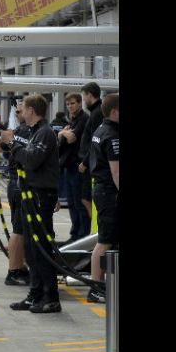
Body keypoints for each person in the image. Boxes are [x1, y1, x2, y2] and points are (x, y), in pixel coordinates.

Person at [4, 94, 61, 314]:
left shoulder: (45, 133)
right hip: (30, 194)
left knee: (41, 248)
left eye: (22, 109)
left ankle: (51, 298)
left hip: (41, 196)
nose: (20, 112)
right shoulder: (35, 132)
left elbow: (32, 160)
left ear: (31, 110)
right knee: (30, 247)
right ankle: (35, 294)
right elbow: (22, 158)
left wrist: (12, 144)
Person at [86, 93, 119, 303]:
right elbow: (117, 172)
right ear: (115, 112)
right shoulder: (113, 135)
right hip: (109, 191)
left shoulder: (101, 129)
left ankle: (101, 284)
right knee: (104, 240)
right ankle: (96, 288)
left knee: (107, 239)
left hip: (102, 189)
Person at [0, 102, 32, 286]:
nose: (18, 114)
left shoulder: (20, 132)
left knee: (22, 230)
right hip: (19, 184)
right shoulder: (23, 131)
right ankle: (14, 271)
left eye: (20, 111)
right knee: (19, 230)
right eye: (17, 111)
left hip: (18, 184)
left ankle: (20, 267)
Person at [57, 93, 89, 243]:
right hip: (68, 167)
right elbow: (62, 138)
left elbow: (71, 138)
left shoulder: (84, 119)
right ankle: (75, 233)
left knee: (78, 202)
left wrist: (63, 133)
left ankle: (82, 234)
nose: (70, 106)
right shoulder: (71, 121)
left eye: (73, 103)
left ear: (80, 103)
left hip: (78, 167)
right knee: (71, 203)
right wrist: (62, 132)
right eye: (68, 104)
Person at [77, 81, 103, 227]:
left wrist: (85, 162)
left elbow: (94, 140)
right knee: (86, 198)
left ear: (89, 94)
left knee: (87, 198)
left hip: (91, 164)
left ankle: (99, 229)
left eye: (84, 96)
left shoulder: (97, 113)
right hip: (89, 161)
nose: (84, 100)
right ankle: (96, 230)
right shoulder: (95, 112)